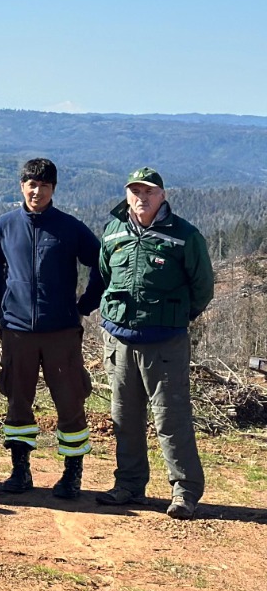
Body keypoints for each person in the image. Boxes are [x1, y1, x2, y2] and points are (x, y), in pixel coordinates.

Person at [0, 158, 104, 499]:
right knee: (18, 402)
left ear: (53, 189)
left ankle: (72, 474)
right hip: (17, 331)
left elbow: (101, 265)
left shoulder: (69, 227)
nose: (37, 191)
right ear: (22, 186)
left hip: (61, 331)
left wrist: (84, 305)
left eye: (45, 186)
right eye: (32, 185)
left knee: (70, 401)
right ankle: (20, 471)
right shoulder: (4, 225)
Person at [95, 168, 214, 519]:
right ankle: (129, 485)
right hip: (119, 340)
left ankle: (185, 491)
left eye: (148, 192)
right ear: (127, 194)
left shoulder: (184, 235)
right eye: (135, 191)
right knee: (124, 416)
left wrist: (174, 317)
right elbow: (105, 275)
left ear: (163, 196)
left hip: (164, 343)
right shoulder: (114, 231)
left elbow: (202, 287)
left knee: (171, 418)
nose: (141, 198)